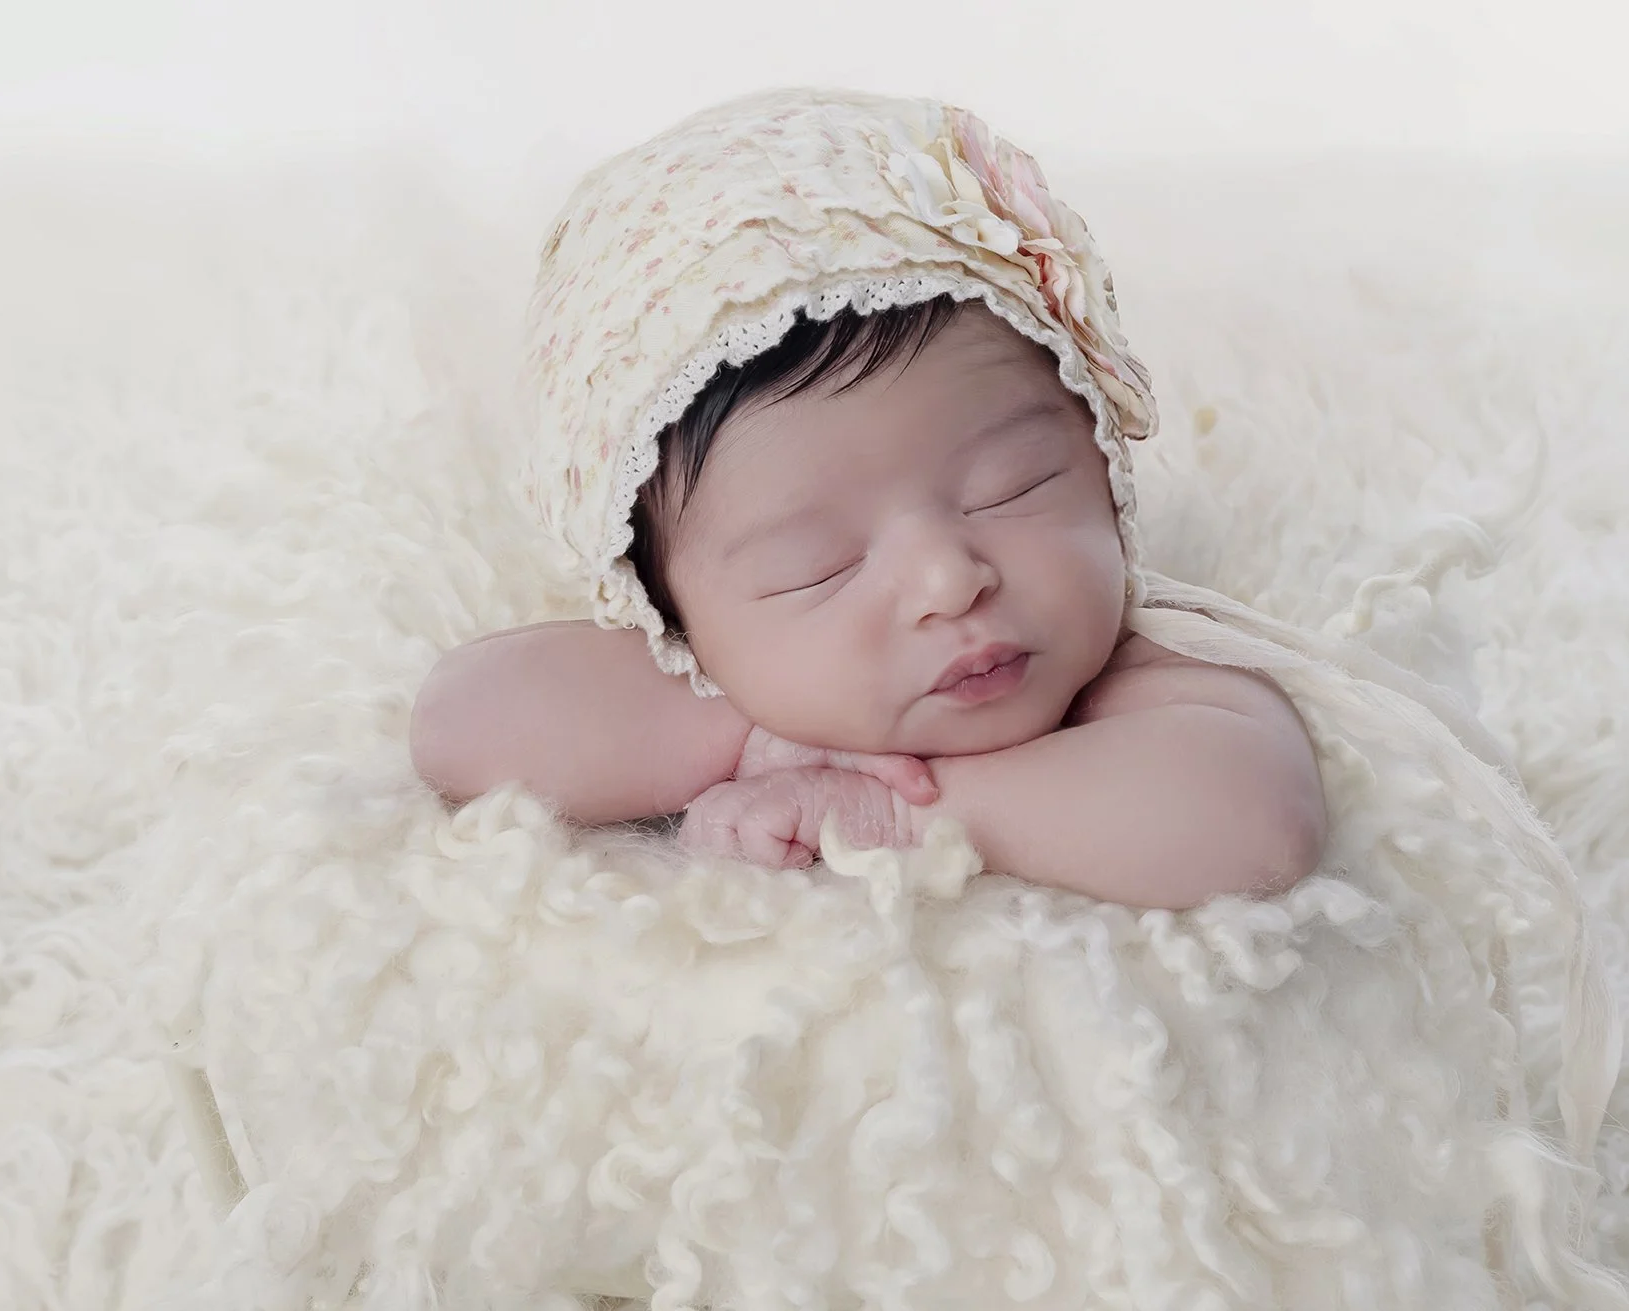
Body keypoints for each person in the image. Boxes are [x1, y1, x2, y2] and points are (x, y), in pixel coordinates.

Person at [409, 88, 1328, 910]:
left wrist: (898, 809)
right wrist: (758, 722)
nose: (948, 579)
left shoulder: (1136, 671)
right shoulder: (735, 680)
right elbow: (461, 721)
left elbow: (1252, 818)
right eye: (820, 567)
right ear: (670, 621)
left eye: (1014, 487)